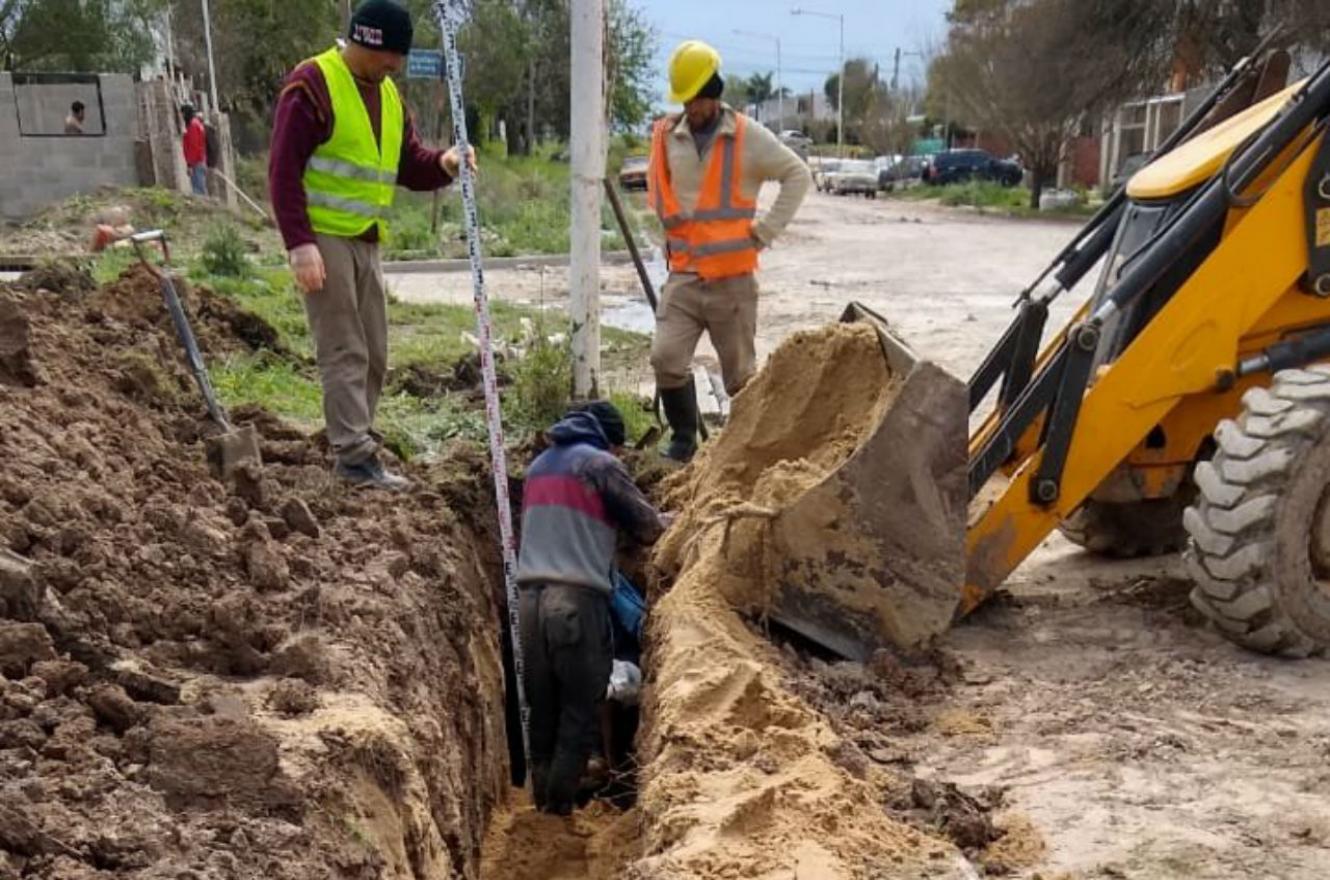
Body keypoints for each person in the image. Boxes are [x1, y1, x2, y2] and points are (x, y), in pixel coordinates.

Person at [268, 0, 469, 489]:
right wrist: (300, 244)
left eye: (399, 60)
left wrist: (443, 162)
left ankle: (358, 434)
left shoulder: (389, 97)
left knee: (375, 351)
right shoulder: (313, 84)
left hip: (366, 239)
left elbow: (408, 164)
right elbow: (282, 170)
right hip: (324, 237)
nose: (395, 67)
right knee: (344, 348)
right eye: (390, 57)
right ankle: (354, 457)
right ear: (365, 41)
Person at [647, 40, 811, 461]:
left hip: (733, 282)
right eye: (685, 99)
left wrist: (765, 231)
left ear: (715, 90)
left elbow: (797, 174)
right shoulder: (669, 136)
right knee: (666, 358)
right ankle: (684, 440)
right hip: (684, 275)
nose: (692, 107)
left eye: (698, 98)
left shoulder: (747, 137)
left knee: (741, 379)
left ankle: (744, 456)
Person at [516, 401, 668, 815]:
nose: (618, 458)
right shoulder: (600, 464)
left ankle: (540, 808)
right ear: (611, 441)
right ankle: (559, 812)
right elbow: (650, 527)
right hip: (575, 603)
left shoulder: (539, 466)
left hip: (528, 603)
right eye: (619, 451)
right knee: (578, 713)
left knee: (542, 709)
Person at [181, 105, 208, 196]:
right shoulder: (197, 124)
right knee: (200, 187)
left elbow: (194, 146)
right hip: (200, 160)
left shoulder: (192, 126)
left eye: (183, 114)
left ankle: (203, 209)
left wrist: (190, 165)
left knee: (198, 190)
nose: (182, 116)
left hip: (196, 162)